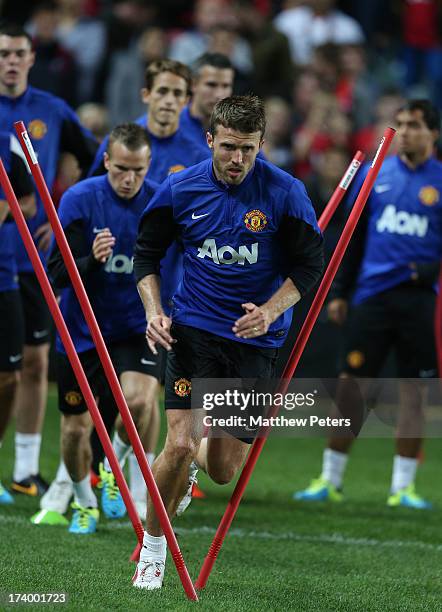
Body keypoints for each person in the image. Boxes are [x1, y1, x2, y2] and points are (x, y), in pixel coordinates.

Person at [132, 95, 324, 589]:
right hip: (194, 330)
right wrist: (154, 311)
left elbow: (309, 267)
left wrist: (270, 311)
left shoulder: (286, 193)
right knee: (178, 443)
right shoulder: (180, 188)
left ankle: (197, 461)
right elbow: (147, 254)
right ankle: (153, 551)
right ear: (211, 140)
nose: (238, 160)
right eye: (229, 148)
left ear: (262, 145)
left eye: (249, 149)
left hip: (256, 342)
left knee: (221, 469)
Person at [294, 99, 442, 509]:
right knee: (351, 388)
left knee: (414, 392)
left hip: (419, 301)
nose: (405, 132)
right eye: (401, 124)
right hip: (372, 296)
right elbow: (352, 240)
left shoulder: (441, 181)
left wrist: (430, 270)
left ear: (433, 133)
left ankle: (404, 488)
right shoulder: (376, 177)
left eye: (413, 125)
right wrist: (339, 292)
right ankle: (329, 478)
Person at [88, 59, 209, 507]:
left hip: (171, 289)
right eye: (163, 91)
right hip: (115, 287)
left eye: (178, 94)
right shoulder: (123, 140)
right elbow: (91, 198)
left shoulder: (199, 151)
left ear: (187, 99)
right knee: (109, 403)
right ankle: (117, 475)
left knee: (149, 395)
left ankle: (138, 485)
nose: (169, 101)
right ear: (147, 94)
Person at [46, 124, 159, 533]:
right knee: (75, 429)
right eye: (121, 170)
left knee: (142, 403)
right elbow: (55, 272)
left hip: (134, 324)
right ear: (107, 161)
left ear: (149, 166)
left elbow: (177, 263)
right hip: (81, 329)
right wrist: (90, 258)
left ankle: (113, 467)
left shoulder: (159, 202)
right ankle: (83, 502)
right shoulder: (79, 199)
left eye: (139, 171)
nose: (129, 180)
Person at [0, 23, 97, 497]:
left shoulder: (52, 110)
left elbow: (97, 161)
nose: (11, 62)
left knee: (36, 364)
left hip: (33, 257)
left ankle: (23, 469)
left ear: (32, 58)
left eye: (19, 53)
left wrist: (63, 215)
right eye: (3, 54)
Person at [0, 131, 36, 504]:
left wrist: (5, 208)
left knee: (10, 376)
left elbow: (28, 202)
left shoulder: (6, 143)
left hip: (4, 274)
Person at [179, 53, 234, 149]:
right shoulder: (171, 126)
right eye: (211, 85)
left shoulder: (238, 131)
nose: (219, 94)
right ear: (193, 84)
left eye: (225, 86)